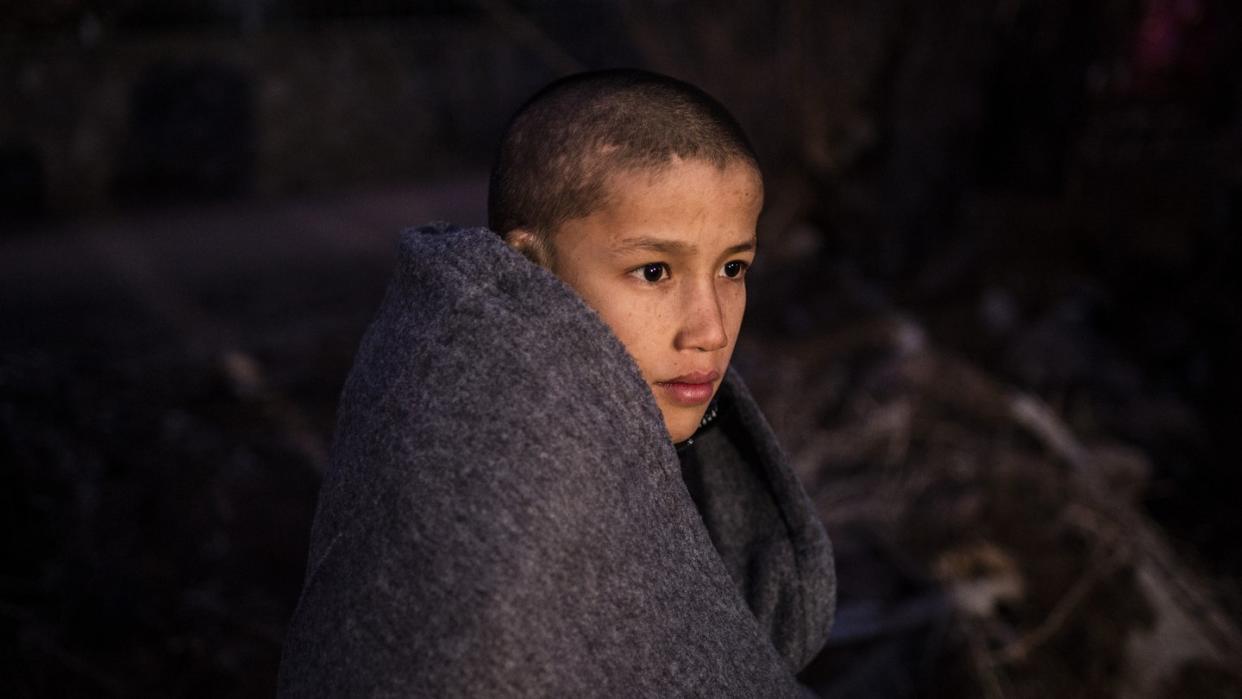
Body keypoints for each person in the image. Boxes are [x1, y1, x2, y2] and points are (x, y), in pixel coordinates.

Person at [278, 69, 835, 697]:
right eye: (654, 271)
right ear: (527, 268)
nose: (708, 329)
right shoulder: (503, 508)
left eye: (733, 267)